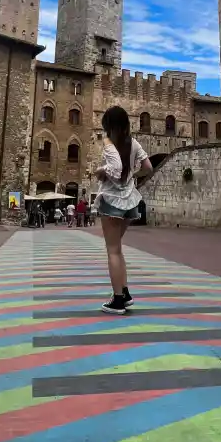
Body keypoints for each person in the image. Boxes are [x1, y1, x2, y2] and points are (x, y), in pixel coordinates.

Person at [95, 105, 153, 313]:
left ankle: (118, 299)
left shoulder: (109, 144)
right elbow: (148, 168)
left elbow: (115, 169)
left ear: (108, 126)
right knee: (117, 249)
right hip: (130, 201)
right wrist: (132, 177)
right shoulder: (134, 143)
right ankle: (124, 292)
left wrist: (100, 170)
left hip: (112, 201)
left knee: (112, 251)